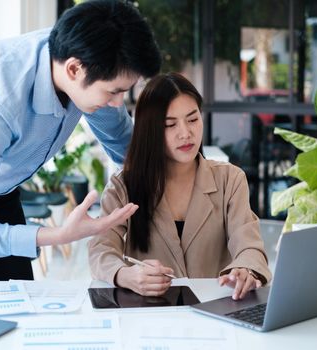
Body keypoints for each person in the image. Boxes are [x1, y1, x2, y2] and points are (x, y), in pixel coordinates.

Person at [0, 0, 161, 281]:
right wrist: (59, 234)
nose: (117, 103)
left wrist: (161, 178)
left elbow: (122, 141)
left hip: (1, 178)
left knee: (15, 294)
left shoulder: (87, 56)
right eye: (113, 92)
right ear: (74, 70)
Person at [88, 72, 271, 300]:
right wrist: (125, 275)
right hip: (150, 313)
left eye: (193, 119)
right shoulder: (124, 185)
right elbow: (101, 249)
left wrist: (246, 270)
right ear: (150, 131)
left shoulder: (230, 179)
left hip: (217, 310)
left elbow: (249, 245)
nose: (186, 133)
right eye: (170, 124)